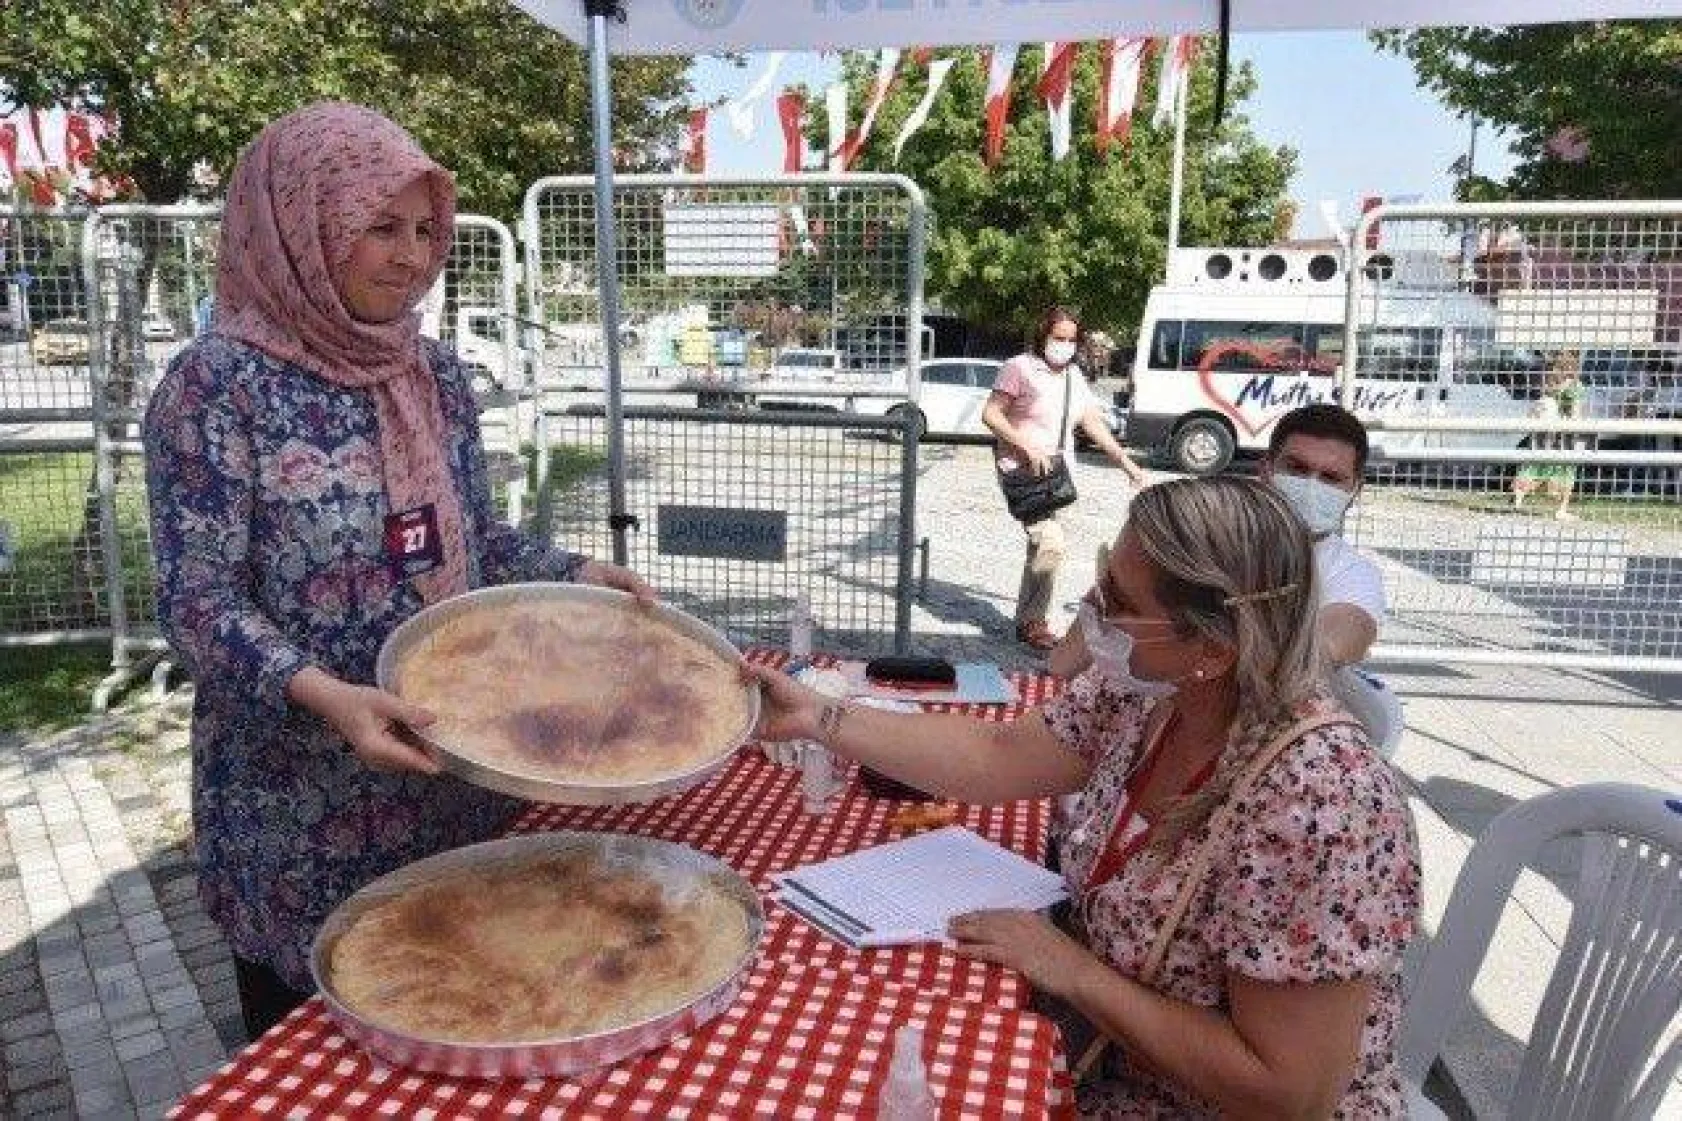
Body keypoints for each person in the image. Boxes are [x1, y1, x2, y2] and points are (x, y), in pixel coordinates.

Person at [142, 102, 650, 1040]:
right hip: (300, 810)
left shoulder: (436, 378)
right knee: (318, 1071)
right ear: (300, 223)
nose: (413, 254)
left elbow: (474, 547)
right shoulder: (215, 388)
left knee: (484, 1016)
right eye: (381, 225)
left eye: (426, 228)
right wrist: (327, 694)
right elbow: (196, 600)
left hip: (457, 784)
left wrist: (580, 570)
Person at [748, 476, 1421, 1118]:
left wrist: (1074, 971)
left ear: (1213, 648)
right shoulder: (1152, 691)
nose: (1092, 608)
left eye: (1121, 599)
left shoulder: (1320, 803)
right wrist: (817, 718)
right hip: (1114, 1060)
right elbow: (998, 755)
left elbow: (1289, 1094)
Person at [984, 306, 1149, 652]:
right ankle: (1033, 621)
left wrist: (1126, 464)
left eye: (1071, 340)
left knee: (1045, 547)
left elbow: (1092, 423)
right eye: (1058, 338)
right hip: (1024, 473)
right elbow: (991, 414)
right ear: (1043, 335)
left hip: (1057, 477)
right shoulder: (1019, 368)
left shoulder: (1074, 377)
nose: (1064, 345)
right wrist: (1025, 445)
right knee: (1051, 542)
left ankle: (1027, 618)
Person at [1511, 349, 1585, 520]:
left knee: (1534, 463)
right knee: (1566, 467)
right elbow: (1575, 413)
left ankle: (1518, 500)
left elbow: (1540, 406)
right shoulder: (1575, 386)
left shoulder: (1549, 383)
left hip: (1543, 433)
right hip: (1562, 435)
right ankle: (1561, 509)